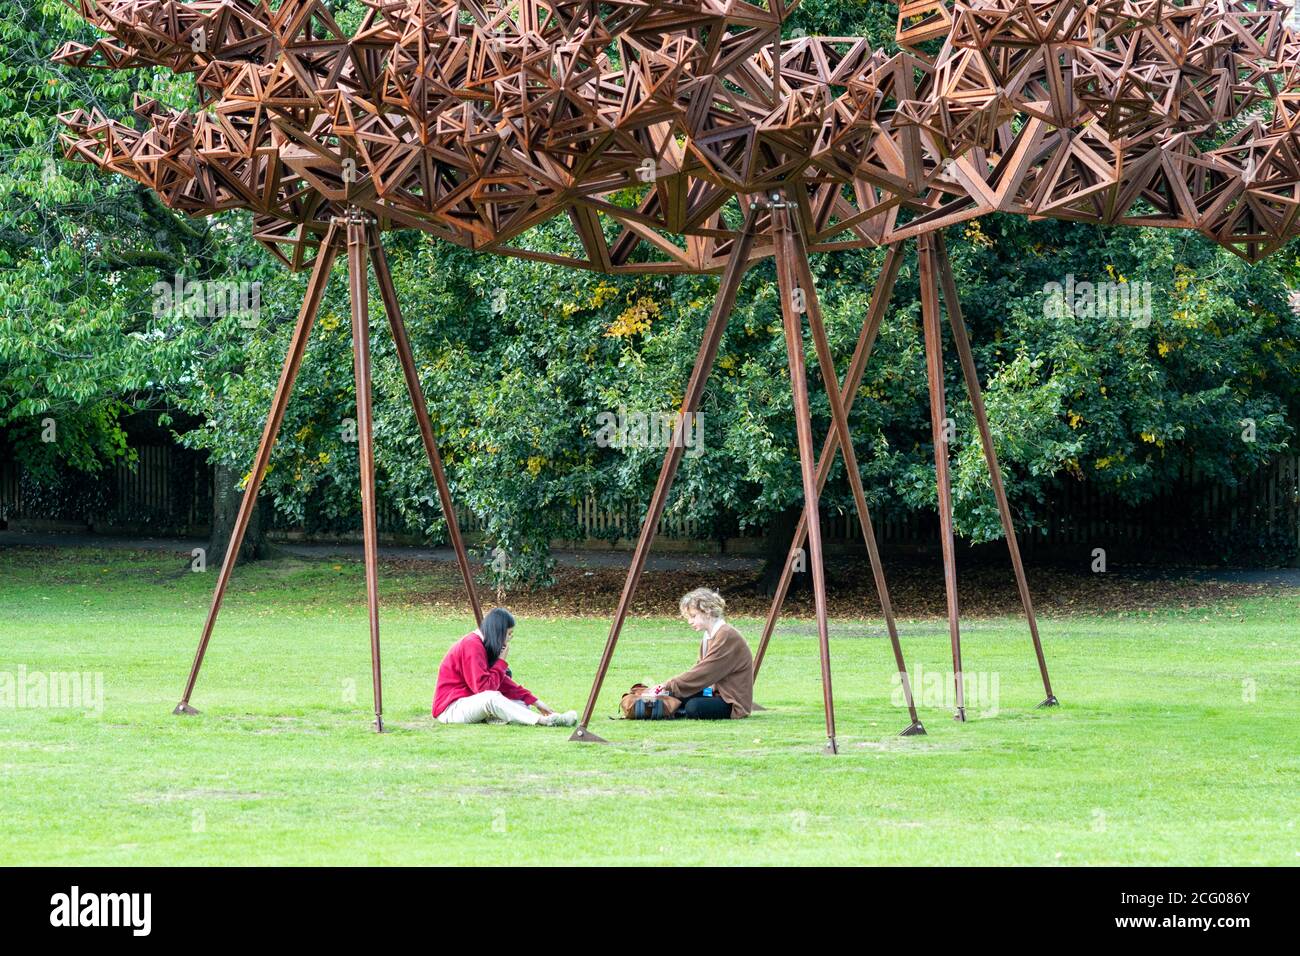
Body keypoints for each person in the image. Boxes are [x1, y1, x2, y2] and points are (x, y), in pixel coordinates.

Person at [433, 607, 577, 726]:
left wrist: (535, 701)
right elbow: (484, 689)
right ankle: (545, 721)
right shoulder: (472, 645)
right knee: (492, 698)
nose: (509, 640)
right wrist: (501, 661)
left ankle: (550, 717)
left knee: (520, 704)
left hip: (468, 702)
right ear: (498, 632)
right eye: (508, 634)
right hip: (450, 708)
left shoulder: (482, 644)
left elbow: (502, 682)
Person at [651, 588, 753, 719]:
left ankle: (677, 710)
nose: (690, 621)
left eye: (693, 616)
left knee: (693, 706)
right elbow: (700, 668)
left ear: (708, 612)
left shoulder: (726, 635)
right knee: (672, 696)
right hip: (713, 692)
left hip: (731, 700)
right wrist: (669, 690)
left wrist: (668, 685)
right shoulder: (709, 635)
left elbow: (705, 671)